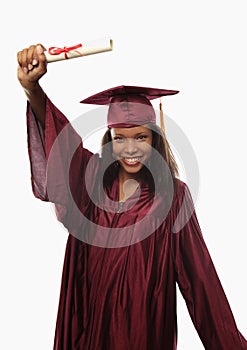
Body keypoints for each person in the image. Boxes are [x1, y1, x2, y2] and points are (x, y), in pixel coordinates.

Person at [17, 44, 247, 350]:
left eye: (140, 136)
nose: (130, 149)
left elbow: (200, 279)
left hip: (142, 331)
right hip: (88, 327)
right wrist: (33, 89)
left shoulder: (173, 197)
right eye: (120, 138)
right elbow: (62, 146)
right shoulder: (91, 181)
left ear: (155, 136)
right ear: (109, 139)